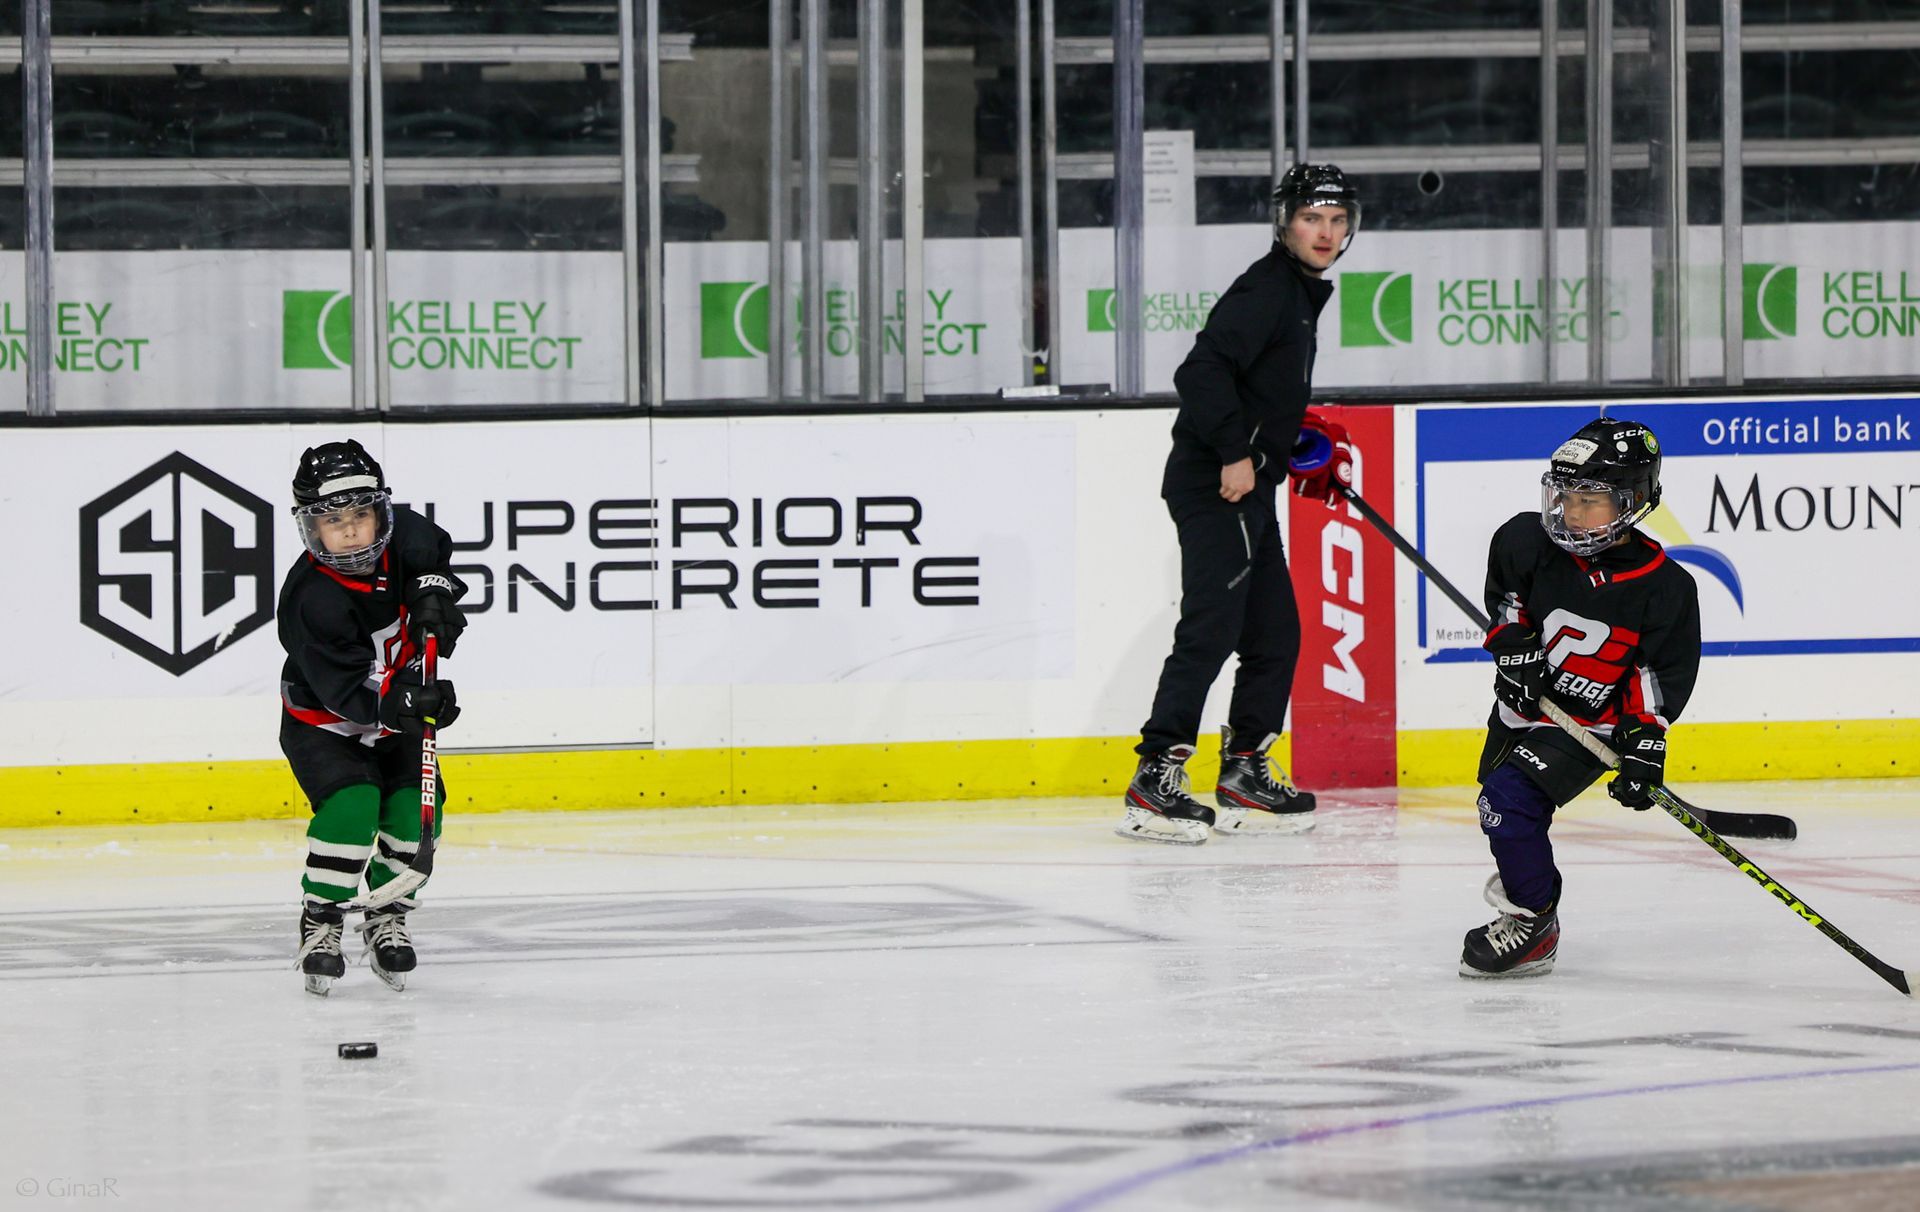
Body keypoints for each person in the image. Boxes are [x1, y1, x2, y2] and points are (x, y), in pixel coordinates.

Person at [1115, 163, 1361, 846]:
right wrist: (1234, 452)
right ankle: (1155, 779)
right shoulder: (1267, 290)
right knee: (1212, 629)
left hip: (1246, 485)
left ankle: (1244, 769)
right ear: (1285, 223)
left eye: (1338, 221)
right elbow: (1200, 370)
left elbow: (1255, 383)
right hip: (1216, 484)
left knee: (1274, 633)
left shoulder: (1296, 292)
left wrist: (1287, 434)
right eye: (1313, 219)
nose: (1326, 233)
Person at [1462, 417, 1700, 978]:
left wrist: (1644, 744)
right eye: (1565, 495)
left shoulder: (1664, 587)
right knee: (1499, 811)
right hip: (1524, 711)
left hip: (1592, 724)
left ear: (1633, 501)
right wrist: (1515, 650)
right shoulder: (1524, 539)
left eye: (1590, 499)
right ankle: (1531, 901)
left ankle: (1534, 922)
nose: (1571, 511)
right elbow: (1508, 604)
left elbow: (1657, 677)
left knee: (1508, 803)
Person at [279, 439, 468, 995]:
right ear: (312, 529)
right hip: (327, 724)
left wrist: (440, 603)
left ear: (381, 510)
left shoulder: (410, 536)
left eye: (361, 514)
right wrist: (408, 702)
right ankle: (322, 919)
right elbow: (342, 693)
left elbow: (440, 579)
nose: (352, 531)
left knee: (413, 814)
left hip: (398, 719)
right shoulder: (310, 599)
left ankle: (387, 913)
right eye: (334, 520)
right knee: (353, 809)